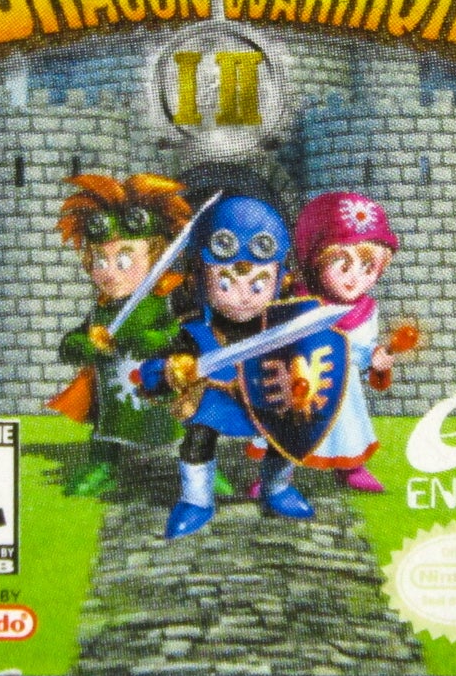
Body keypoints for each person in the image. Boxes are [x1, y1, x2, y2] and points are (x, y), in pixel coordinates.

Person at [135, 195, 320, 538]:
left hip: (265, 396)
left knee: (285, 433)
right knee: (199, 437)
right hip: (214, 400)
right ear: (200, 279)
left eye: (258, 284)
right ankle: (196, 500)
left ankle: (277, 487)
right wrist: (171, 370)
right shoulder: (193, 332)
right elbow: (152, 372)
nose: (242, 295)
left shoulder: (282, 328)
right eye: (225, 282)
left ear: (279, 279)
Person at [245, 191, 410, 493]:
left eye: (368, 268)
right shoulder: (296, 302)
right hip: (298, 380)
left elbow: (362, 350)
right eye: (343, 266)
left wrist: (376, 358)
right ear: (316, 260)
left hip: (343, 384)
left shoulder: (365, 311)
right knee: (289, 429)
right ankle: (274, 475)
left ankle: (350, 466)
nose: (354, 278)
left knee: (347, 427)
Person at [47, 173, 193, 496]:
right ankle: (104, 465)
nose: (109, 272)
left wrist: (155, 340)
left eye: (124, 258)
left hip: (159, 397)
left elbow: (177, 332)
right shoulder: (101, 310)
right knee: (107, 433)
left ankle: (197, 468)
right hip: (114, 402)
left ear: (156, 255)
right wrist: (85, 345)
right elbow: (70, 344)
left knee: (181, 433)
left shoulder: (162, 301)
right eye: (100, 259)